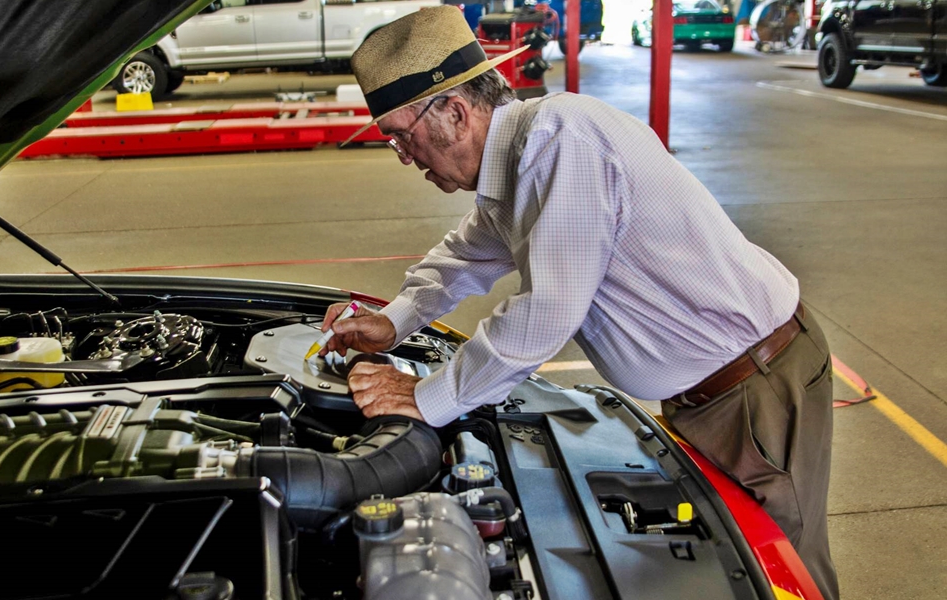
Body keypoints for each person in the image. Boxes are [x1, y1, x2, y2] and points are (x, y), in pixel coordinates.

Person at [319, 6, 838, 599]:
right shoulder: (517, 167)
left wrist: (428, 396)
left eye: (401, 136)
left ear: (456, 113)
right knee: (736, 566)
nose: (405, 156)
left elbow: (547, 311)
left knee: (782, 571)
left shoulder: (562, 143)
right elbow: (463, 257)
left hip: (755, 388)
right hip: (711, 394)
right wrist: (393, 321)